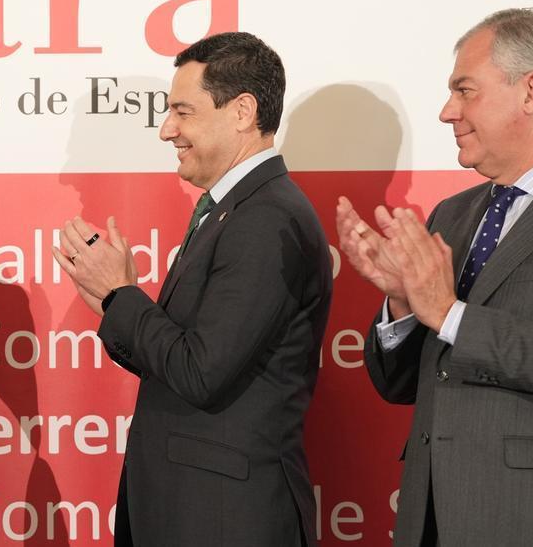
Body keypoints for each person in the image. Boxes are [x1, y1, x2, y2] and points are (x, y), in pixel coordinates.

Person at [54, 32, 332, 545]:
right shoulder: (232, 211)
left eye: (183, 112)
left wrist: (122, 297)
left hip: (224, 518)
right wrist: (113, 306)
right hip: (192, 510)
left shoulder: (265, 220)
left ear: (242, 111)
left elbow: (201, 371)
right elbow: (181, 360)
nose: (167, 131)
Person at [338, 7, 533, 546]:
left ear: (532, 90)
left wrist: (449, 314)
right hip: (431, 516)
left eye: (465, 90)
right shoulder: (452, 213)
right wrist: (403, 305)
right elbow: (402, 385)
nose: (448, 111)